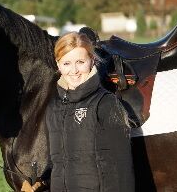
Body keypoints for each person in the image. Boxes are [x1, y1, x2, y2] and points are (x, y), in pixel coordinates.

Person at [21, 31, 135, 192]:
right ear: (58, 65)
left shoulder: (106, 103)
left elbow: (122, 168)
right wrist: (41, 183)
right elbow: (56, 161)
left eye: (80, 62)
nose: (74, 70)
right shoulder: (53, 107)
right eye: (66, 63)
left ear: (92, 61)